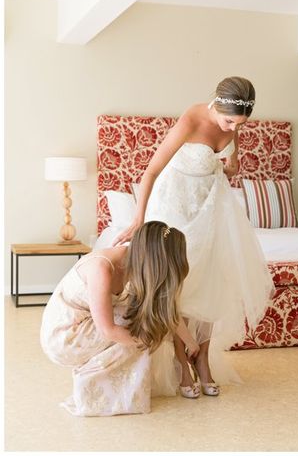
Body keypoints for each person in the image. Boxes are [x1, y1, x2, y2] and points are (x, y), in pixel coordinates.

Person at [112, 76, 274, 398]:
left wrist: (227, 166)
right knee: (178, 283)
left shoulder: (232, 124)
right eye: (229, 121)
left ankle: (204, 362)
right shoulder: (190, 120)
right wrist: (139, 219)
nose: (231, 129)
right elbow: (152, 172)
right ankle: (181, 360)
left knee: (211, 279)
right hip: (175, 207)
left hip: (210, 205)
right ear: (216, 103)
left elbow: (231, 166)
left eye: (238, 124)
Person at [40, 221, 195, 415]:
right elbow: (108, 330)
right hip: (64, 337)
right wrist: (148, 340)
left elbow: (165, 308)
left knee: (146, 317)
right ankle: (90, 388)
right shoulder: (102, 269)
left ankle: (119, 390)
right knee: (141, 324)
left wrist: (191, 343)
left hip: (87, 326)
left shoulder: (133, 261)